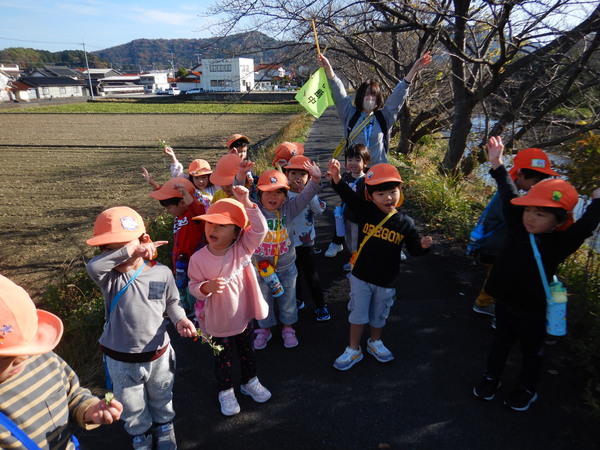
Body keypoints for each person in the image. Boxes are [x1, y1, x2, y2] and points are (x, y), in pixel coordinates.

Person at [472, 136, 600, 411]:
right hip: (506, 303)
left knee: (532, 353)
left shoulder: (561, 243)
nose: (530, 217)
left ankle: (526, 389)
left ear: (559, 221)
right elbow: (508, 192)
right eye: (529, 209)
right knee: (500, 345)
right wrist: (496, 164)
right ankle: (491, 378)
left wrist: (597, 202)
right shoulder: (518, 224)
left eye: (541, 214)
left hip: (533, 310)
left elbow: (587, 225)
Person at [86, 206, 196, 449]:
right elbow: (93, 267)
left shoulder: (161, 273)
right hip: (120, 358)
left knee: (162, 394)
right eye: (109, 250)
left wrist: (180, 319)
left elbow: (170, 303)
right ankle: (140, 434)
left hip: (158, 353)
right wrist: (131, 249)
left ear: (145, 241)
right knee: (130, 403)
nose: (121, 256)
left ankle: (165, 426)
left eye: (125, 247)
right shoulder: (111, 279)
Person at [327, 160, 433, 371]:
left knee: (379, 315)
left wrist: (423, 247)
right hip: (361, 276)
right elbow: (347, 196)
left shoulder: (405, 223)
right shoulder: (366, 211)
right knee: (358, 314)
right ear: (370, 196)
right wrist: (337, 177)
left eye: (392, 192)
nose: (388, 198)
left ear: (399, 191)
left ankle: (374, 342)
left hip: (387, 280)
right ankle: (353, 348)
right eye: (380, 194)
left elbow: (414, 250)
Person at [0, 274, 123, 450]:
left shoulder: (43, 358)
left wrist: (89, 410)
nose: (23, 358)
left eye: (29, 347)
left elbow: (71, 394)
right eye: (6, 357)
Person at [188, 186, 272, 417]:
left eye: (221, 225)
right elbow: (193, 287)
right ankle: (226, 390)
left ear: (236, 232)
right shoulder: (198, 258)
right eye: (209, 223)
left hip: (243, 316)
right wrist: (206, 287)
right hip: (218, 321)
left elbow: (260, 229)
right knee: (222, 359)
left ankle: (250, 381)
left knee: (248, 353)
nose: (212, 228)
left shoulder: (244, 247)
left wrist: (247, 203)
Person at [235, 162, 322, 349]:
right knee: (263, 301)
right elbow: (238, 193)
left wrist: (315, 180)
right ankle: (264, 329)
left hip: (287, 267)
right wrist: (241, 175)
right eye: (268, 192)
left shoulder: (289, 209)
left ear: (286, 196)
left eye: (278, 192)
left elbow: (306, 196)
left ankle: (288, 328)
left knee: (288, 301)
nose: (273, 196)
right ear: (259, 194)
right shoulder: (253, 210)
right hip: (260, 269)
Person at [472, 147, 558, 321]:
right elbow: (518, 223)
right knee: (501, 278)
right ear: (520, 175)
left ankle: (487, 304)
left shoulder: (513, 194)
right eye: (536, 180)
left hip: (496, 246)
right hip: (495, 248)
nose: (538, 185)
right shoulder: (511, 200)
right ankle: (486, 305)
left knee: (498, 276)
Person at [318, 51, 432, 166]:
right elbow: (340, 95)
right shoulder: (350, 114)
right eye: (366, 94)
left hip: (379, 171)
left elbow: (397, 98)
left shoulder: (384, 117)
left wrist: (413, 70)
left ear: (378, 99)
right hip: (354, 172)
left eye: (373, 94)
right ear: (360, 96)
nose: (370, 97)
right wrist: (329, 69)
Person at [149, 177, 206, 313]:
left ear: (183, 202)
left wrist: (187, 195)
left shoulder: (194, 216)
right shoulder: (178, 214)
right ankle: (185, 308)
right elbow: (167, 195)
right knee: (181, 287)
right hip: (180, 262)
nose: (169, 211)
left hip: (193, 264)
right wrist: (153, 184)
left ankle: (196, 313)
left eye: (170, 208)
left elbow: (196, 209)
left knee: (192, 290)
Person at [284, 155, 329, 321]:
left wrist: (309, 192)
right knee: (293, 274)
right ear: (286, 175)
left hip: (306, 242)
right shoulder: (283, 194)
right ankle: (298, 300)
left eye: (302, 174)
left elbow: (318, 211)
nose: (297, 178)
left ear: (309, 178)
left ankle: (320, 306)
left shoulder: (310, 194)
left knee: (311, 276)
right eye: (293, 173)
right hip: (288, 244)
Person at [325, 144, 371, 266]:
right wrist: (333, 180)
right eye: (350, 159)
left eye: (357, 160)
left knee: (357, 244)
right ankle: (354, 260)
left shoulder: (366, 181)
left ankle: (356, 266)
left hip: (358, 220)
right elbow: (340, 190)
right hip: (346, 217)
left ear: (365, 163)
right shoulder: (345, 176)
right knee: (349, 242)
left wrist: (337, 178)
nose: (353, 163)